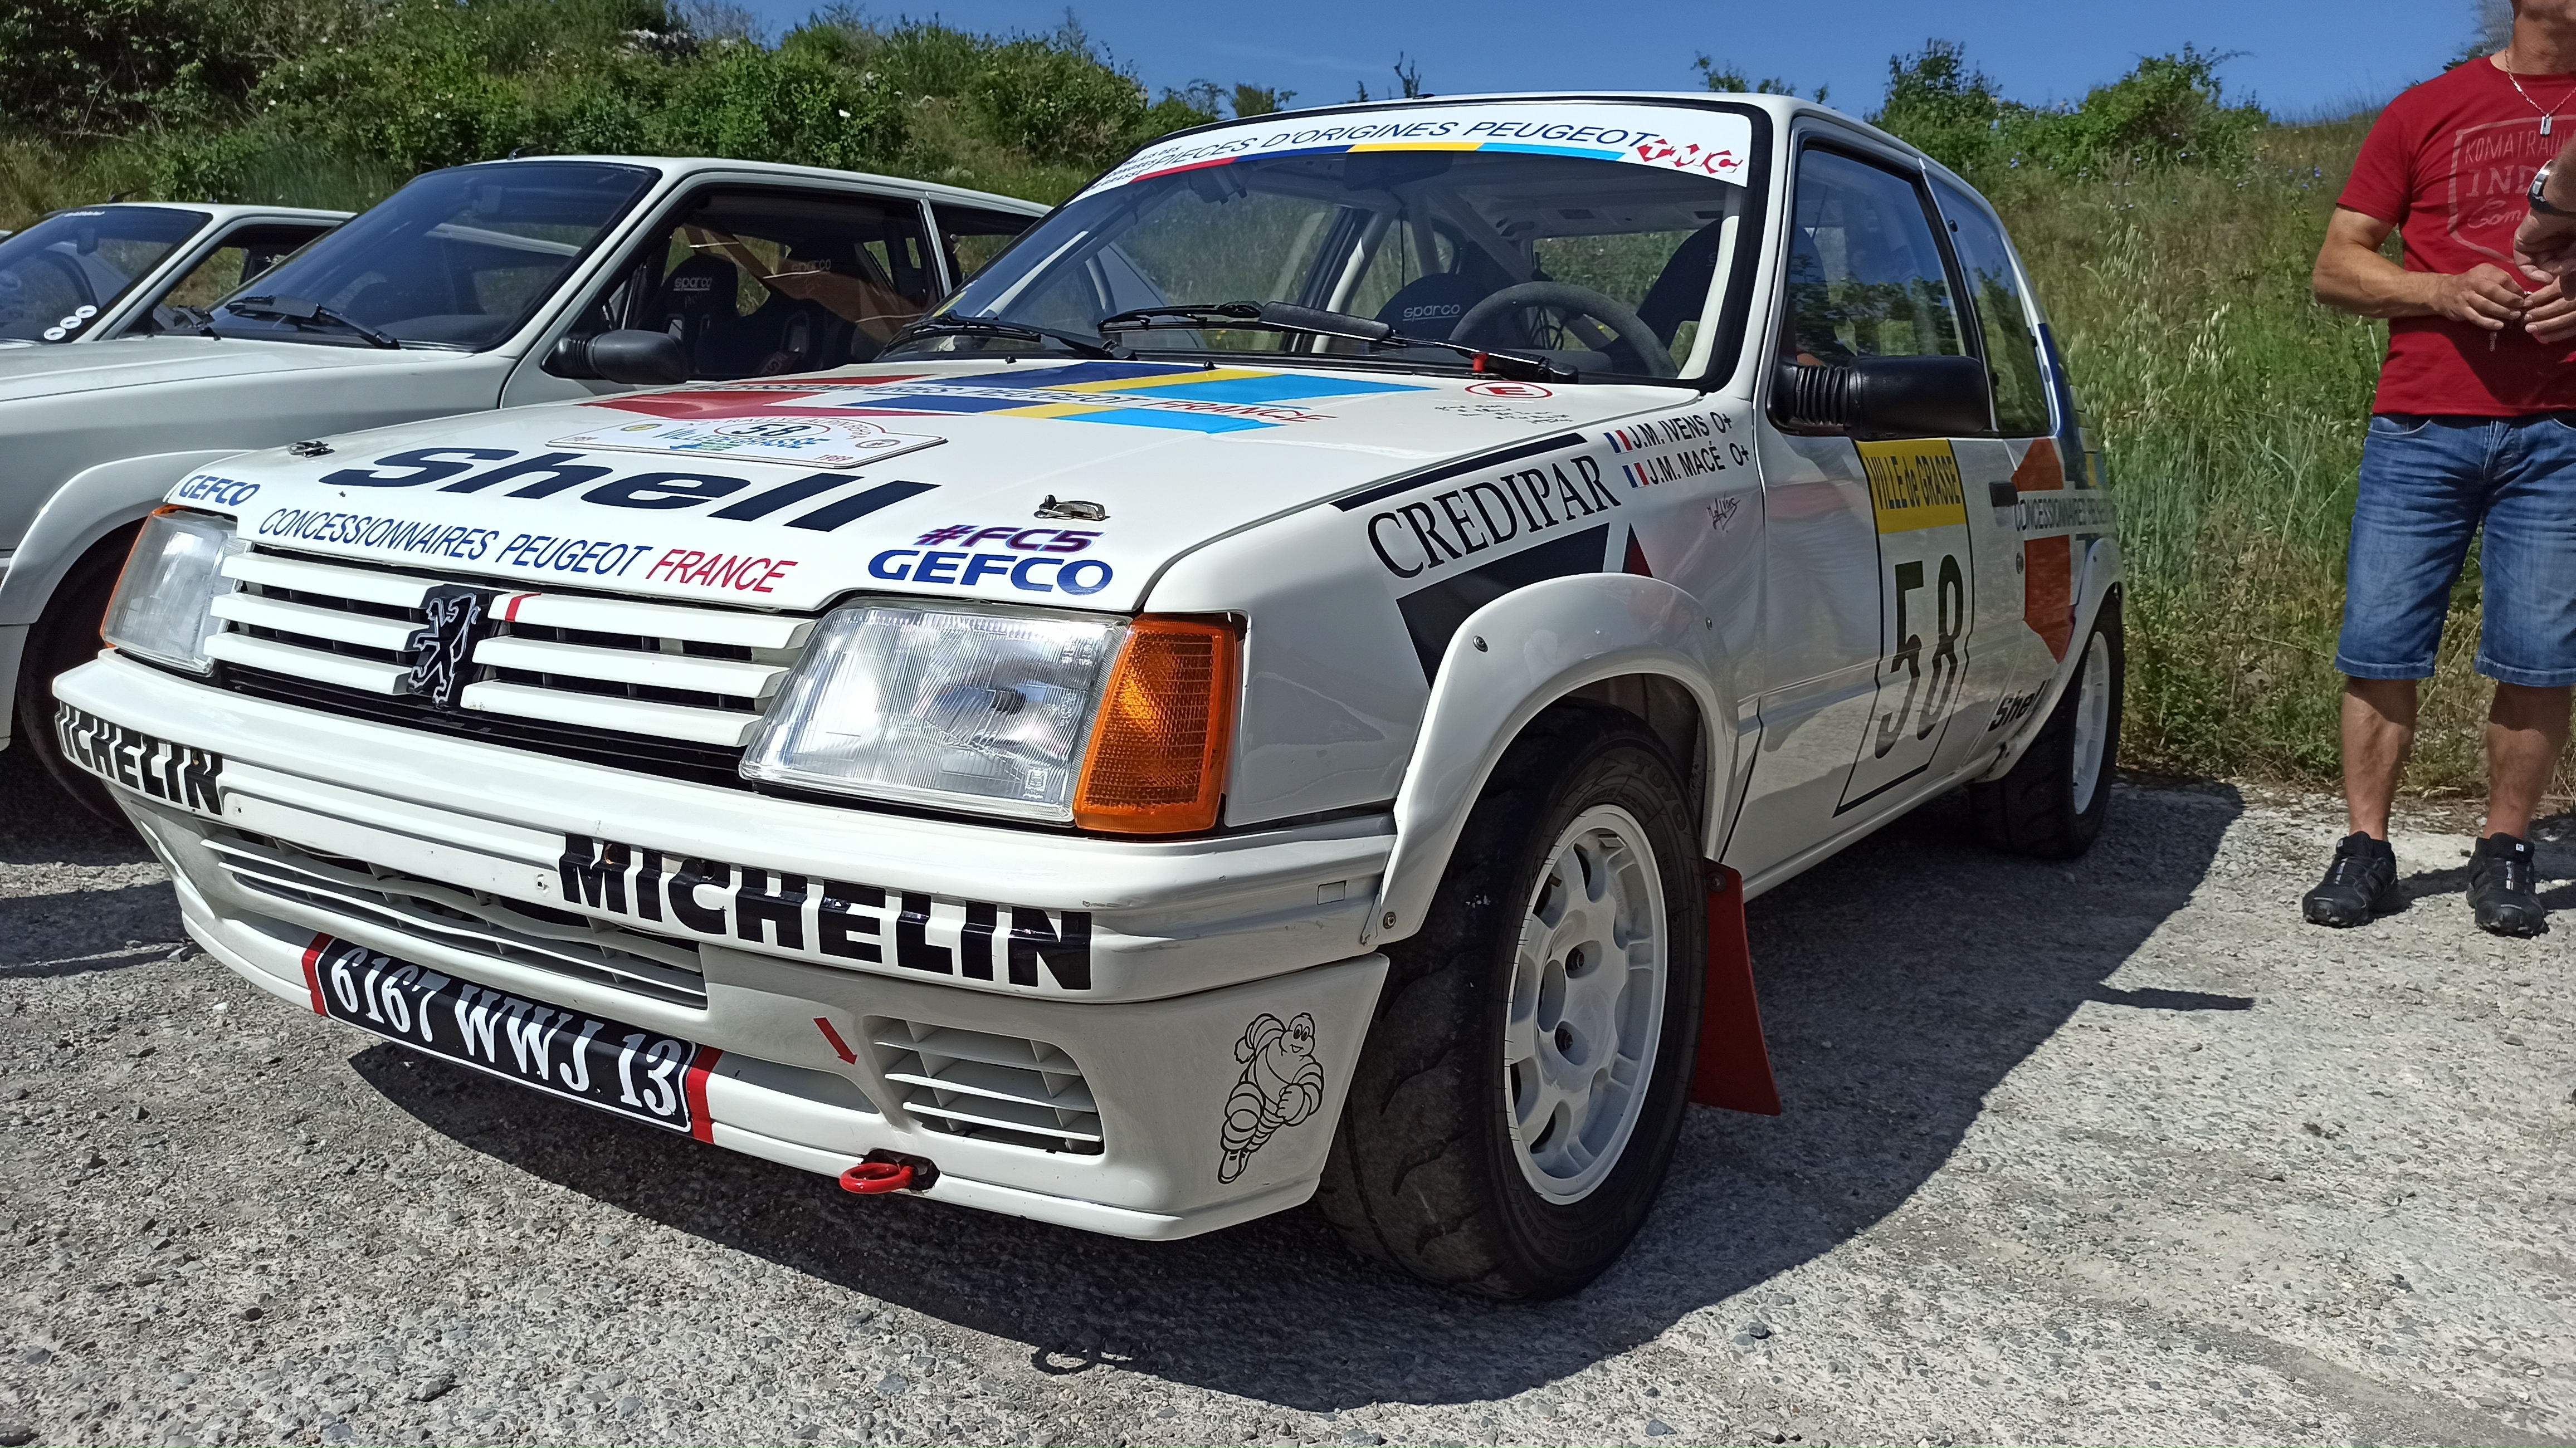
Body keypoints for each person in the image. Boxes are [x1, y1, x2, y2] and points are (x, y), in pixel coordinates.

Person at [2306, 0, 2576, 936]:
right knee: (2380, 644)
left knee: (2540, 653)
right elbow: (2336, 268)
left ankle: (2505, 851)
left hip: (2563, 432)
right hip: (2422, 423)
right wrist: (2442, 290)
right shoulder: (2425, 109)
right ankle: (2366, 849)